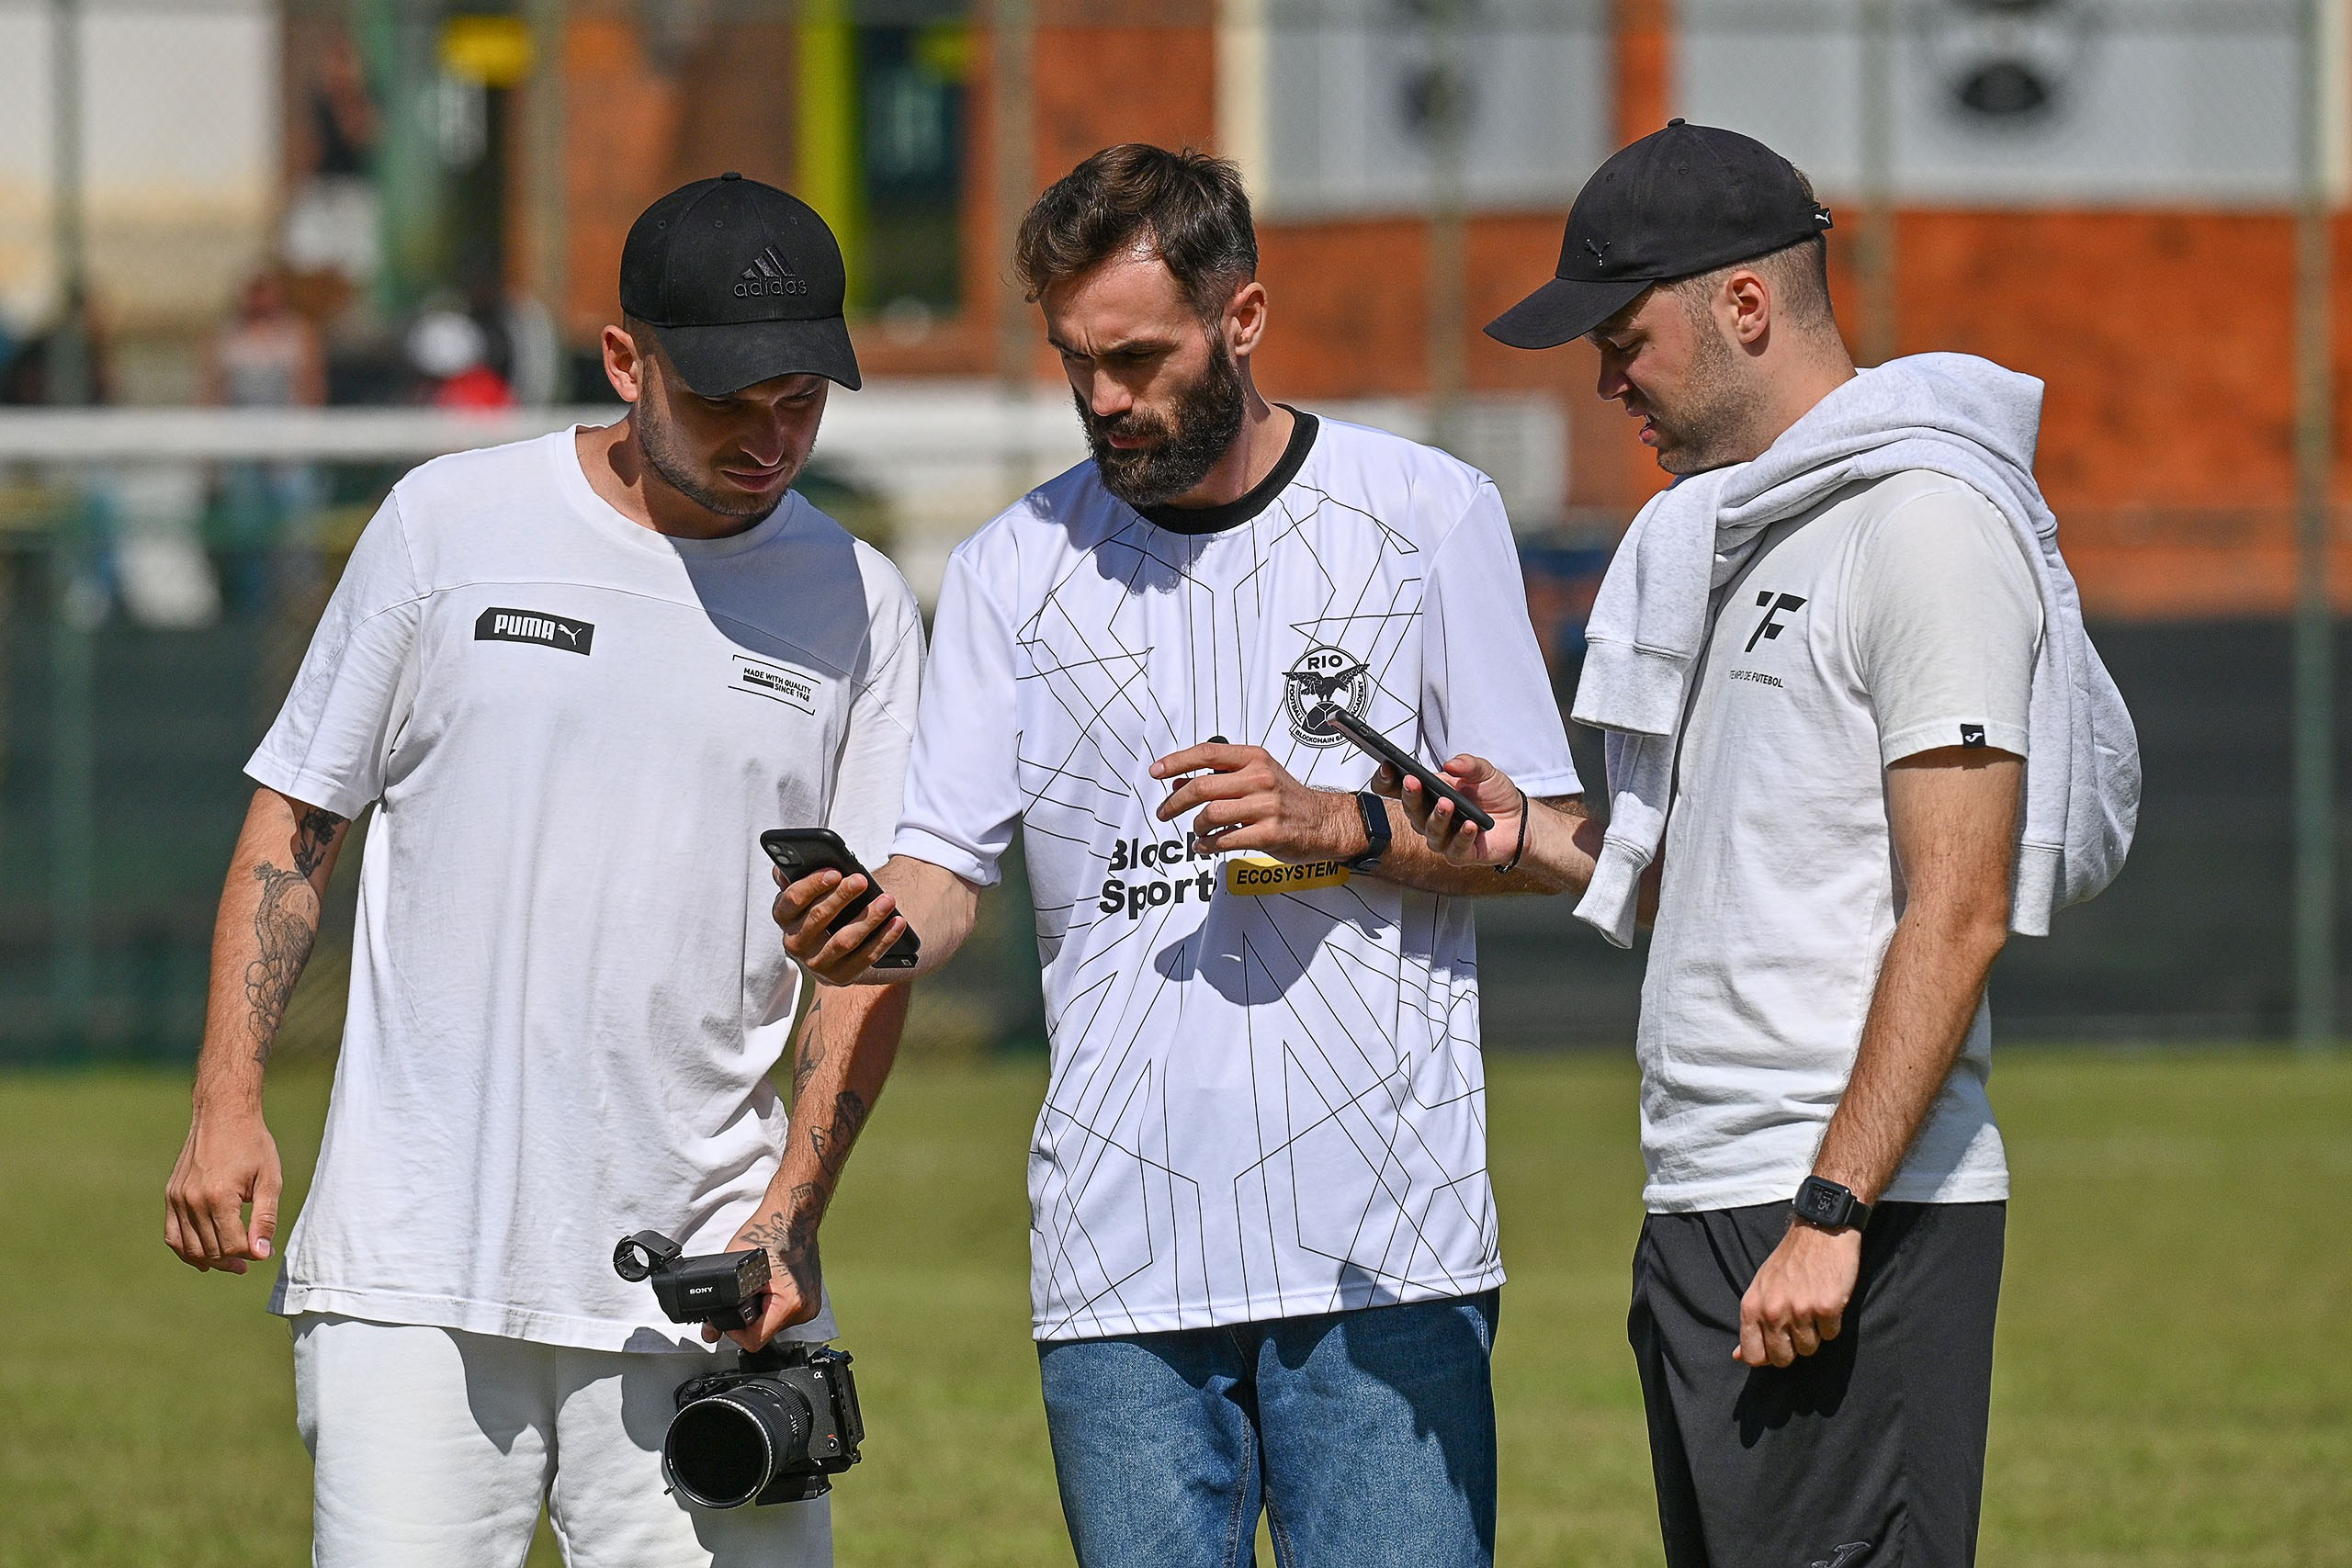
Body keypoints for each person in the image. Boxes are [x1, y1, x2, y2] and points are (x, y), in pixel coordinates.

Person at [775, 143, 1599, 1568]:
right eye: (1074, 360)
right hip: (1118, 1258)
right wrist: (876, 930)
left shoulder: (1425, 515)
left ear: (1245, 318)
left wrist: (1344, 825)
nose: (1103, 398)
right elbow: (942, 870)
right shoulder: (1007, 568)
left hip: (1384, 1246)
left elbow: (1556, 842)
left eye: (1139, 356)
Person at [163, 174, 922, 1568]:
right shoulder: (445, 525)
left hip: (704, 1287)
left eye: (802, 403)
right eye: (729, 401)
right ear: (626, 360)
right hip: (415, 1263)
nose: (772, 440)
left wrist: (789, 1221)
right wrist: (227, 1098)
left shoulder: (860, 602)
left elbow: (868, 961)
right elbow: (294, 824)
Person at [1407, 122, 2139, 1568]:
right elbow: (1727, 881)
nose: (1605, 377)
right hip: (1703, 1197)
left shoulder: (1925, 525)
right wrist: (1540, 842)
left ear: (1744, 306)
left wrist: (1830, 1209)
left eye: (1625, 334)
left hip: (1841, 1214)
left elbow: (1962, 906)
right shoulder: (1738, 540)